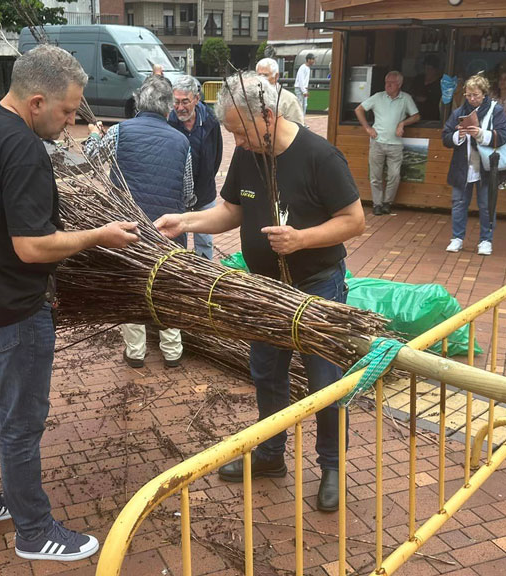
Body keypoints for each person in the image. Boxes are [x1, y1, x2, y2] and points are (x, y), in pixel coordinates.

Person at [0, 44, 138, 562]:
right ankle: (34, 530)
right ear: (36, 102)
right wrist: (97, 235)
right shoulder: (24, 149)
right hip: (15, 306)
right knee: (21, 422)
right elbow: (31, 246)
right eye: (67, 110)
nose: (71, 121)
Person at [154, 72, 365, 513]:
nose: (237, 140)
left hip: (316, 286)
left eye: (240, 131)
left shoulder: (319, 156)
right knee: (267, 373)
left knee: (324, 382)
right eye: (230, 131)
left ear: (268, 115)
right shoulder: (249, 156)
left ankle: (331, 468)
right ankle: (269, 455)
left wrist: (302, 239)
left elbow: (354, 220)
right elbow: (232, 210)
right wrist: (185, 221)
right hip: (265, 290)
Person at [84, 75, 195, 369]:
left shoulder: (120, 131)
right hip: (168, 231)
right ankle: (172, 351)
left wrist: (94, 134)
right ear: (168, 109)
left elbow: (92, 157)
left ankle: (135, 352)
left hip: (127, 228)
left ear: (137, 102)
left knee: (132, 282)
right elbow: (188, 192)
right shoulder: (181, 140)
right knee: (168, 285)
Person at [441, 73, 506, 256]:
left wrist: (481, 133)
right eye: (469, 95)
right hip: (463, 167)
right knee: (458, 203)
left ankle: (486, 240)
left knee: (487, 205)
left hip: (486, 167)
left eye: (476, 95)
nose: (472, 99)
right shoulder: (458, 112)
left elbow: (504, 135)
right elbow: (445, 137)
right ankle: (457, 238)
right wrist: (458, 136)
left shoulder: (496, 110)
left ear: (484, 94)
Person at [169, 74, 223, 260]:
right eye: (176, 102)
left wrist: (206, 177)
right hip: (176, 194)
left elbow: (217, 156)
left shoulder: (210, 121)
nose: (180, 107)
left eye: (185, 101)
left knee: (205, 240)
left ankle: (205, 272)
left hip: (204, 192)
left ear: (196, 99)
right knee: (175, 239)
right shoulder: (168, 121)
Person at [354, 71, 420, 216]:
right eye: (386, 82)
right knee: (375, 176)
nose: (388, 85)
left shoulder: (405, 98)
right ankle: (377, 204)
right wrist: (367, 128)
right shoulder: (378, 97)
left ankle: (387, 203)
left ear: (399, 84)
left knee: (394, 175)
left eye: (391, 83)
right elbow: (359, 110)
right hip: (377, 142)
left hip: (395, 144)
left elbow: (416, 116)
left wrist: (402, 123)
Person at [255, 58, 305, 124]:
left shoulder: (289, 100)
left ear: (276, 76)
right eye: (259, 75)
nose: (261, 79)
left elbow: (297, 128)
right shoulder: (252, 96)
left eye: (265, 75)